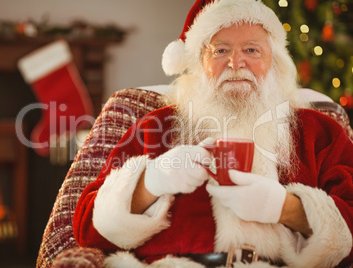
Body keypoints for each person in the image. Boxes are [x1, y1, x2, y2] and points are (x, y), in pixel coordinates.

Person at [73, 0, 353, 267]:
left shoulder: (320, 132)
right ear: (198, 65)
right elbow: (86, 227)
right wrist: (152, 182)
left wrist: (284, 207)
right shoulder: (156, 127)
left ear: (275, 62)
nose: (235, 62)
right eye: (220, 51)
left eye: (252, 50)